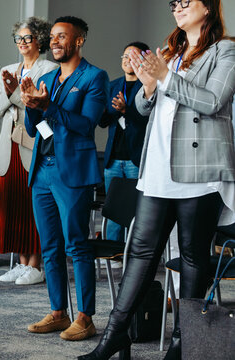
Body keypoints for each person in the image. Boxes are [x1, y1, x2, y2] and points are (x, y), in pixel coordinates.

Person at [80, 0, 235, 359]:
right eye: (173, 3)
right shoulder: (172, 51)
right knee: (139, 251)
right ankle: (115, 335)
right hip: (158, 167)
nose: (177, 7)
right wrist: (149, 86)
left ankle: (185, 342)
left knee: (194, 257)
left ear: (209, 7)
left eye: (186, 1)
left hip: (200, 171)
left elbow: (213, 101)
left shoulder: (225, 51)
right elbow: (144, 108)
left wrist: (165, 77)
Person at [21, 16, 108, 341]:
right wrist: (30, 103)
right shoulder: (51, 76)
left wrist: (49, 106)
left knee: (77, 244)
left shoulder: (94, 77)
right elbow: (34, 128)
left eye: (62, 36)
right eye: (53, 37)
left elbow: (86, 125)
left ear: (79, 40)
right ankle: (58, 312)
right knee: (50, 246)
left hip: (72, 172)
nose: (54, 41)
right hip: (42, 169)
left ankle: (84, 317)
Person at [0, 16, 57, 286]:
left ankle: (36, 265)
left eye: (28, 38)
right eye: (18, 38)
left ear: (39, 40)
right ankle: (20, 262)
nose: (22, 43)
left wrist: (14, 92)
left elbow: (39, 106)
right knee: (13, 205)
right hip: (9, 145)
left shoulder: (50, 68)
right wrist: (9, 93)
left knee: (33, 207)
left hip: (34, 142)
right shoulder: (8, 68)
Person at [99, 42, 150, 243]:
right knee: (113, 210)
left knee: (135, 210)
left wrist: (125, 110)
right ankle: (114, 254)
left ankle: (132, 253)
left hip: (135, 158)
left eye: (133, 56)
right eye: (125, 56)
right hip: (113, 158)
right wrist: (102, 111)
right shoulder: (112, 85)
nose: (128, 60)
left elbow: (148, 120)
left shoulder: (148, 86)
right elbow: (103, 122)